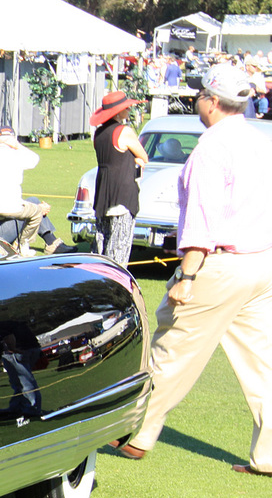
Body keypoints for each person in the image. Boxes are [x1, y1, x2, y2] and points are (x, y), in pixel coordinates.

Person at [116, 64, 272, 475]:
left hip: (219, 263)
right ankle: (269, 454)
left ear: (212, 101)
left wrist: (186, 277)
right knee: (264, 364)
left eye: (201, 94)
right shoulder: (260, 142)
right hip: (261, 261)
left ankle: (135, 433)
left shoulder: (211, 148)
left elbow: (202, 222)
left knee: (172, 348)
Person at [88, 90, 148, 266]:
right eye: (126, 108)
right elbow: (143, 157)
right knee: (119, 247)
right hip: (122, 191)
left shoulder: (98, 134)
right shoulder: (124, 131)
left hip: (103, 191)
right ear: (118, 112)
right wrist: (135, 159)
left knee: (102, 244)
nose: (128, 110)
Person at [0, 127, 48, 254]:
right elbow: (35, 159)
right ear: (14, 141)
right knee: (37, 211)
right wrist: (17, 145)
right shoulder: (17, 155)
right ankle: (22, 243)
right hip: (11, 208)